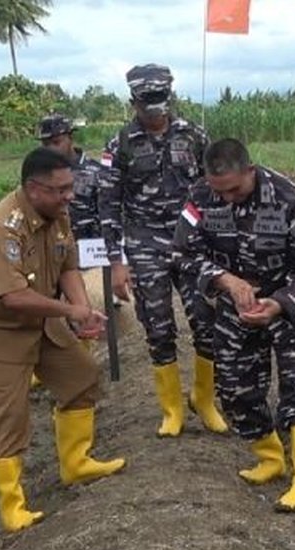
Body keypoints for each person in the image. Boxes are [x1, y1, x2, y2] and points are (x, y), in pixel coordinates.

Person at [0, 147, 125, 533]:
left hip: (42, 318)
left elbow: (67, 265)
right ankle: (12, 506)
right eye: (60, 189)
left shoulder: (57, 214)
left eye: (70, 187)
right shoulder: (3, 227)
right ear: (34, 189)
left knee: (82, 376)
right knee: (11, 415)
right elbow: (14, 297)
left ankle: (76, 463)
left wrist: (82, 309)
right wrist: (69, 311)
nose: (70, 195)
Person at [175, 139, 295, 512]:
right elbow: (183, 253)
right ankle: (270, 457)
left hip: (289, 303)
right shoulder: (200, 197)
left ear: (250, 171)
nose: (226, 199)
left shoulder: (288, 198)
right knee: (236, 390)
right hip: (236, 306)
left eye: (234, 190)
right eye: (219, 191)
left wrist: (278, 303)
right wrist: (226, 280)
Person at [98, 63, 227, 437]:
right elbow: (108, 205)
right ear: (134, 101)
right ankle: (172, 411)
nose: (155, 107)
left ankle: (204, 399)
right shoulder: (119, 145)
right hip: (145, 244)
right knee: (158, 326)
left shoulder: (194, 135)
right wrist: (116, 262)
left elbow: (215, 191)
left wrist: (221, 242)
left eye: (160, 98)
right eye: (148, 100)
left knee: (206, 319)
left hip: (192, 242)